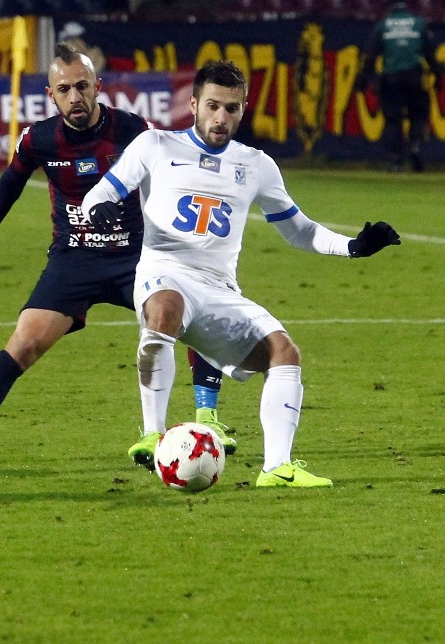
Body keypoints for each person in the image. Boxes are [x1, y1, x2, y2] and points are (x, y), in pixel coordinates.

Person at [81, 60, 401, 488]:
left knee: (283, 352)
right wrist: (99, 209)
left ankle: (277, 468)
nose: (221, 117)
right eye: (212, 106)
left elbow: (298, 230)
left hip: (218, 289)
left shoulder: (257, 165)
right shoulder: (155, 145)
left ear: (242, 110)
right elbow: (100, 192)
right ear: (193, 104)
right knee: (165, 309)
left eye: (231, 108)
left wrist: (354, 247)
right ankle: (153, 434)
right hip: (164, 271)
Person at [0, 43, 235, 467]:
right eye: (64, 89)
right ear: (50, 95)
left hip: (136, 256)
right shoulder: (38, 139)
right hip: (74, 259)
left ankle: (208, 418)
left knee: (194, 315)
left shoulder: (133, 130)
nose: (75, 97)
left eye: (82, 86)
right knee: (25, 343)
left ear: (98, 87)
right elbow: (11, 181)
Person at [354, 2, 442, 172]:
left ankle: (395, 160)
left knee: (393, 120)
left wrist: (362, 80)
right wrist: (437, 76)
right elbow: (430, 53)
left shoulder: (384, 25)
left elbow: (371, 55)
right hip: (415, 76)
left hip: (391, 78)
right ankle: (415, 146)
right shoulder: (419, 23)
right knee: (418, 115)